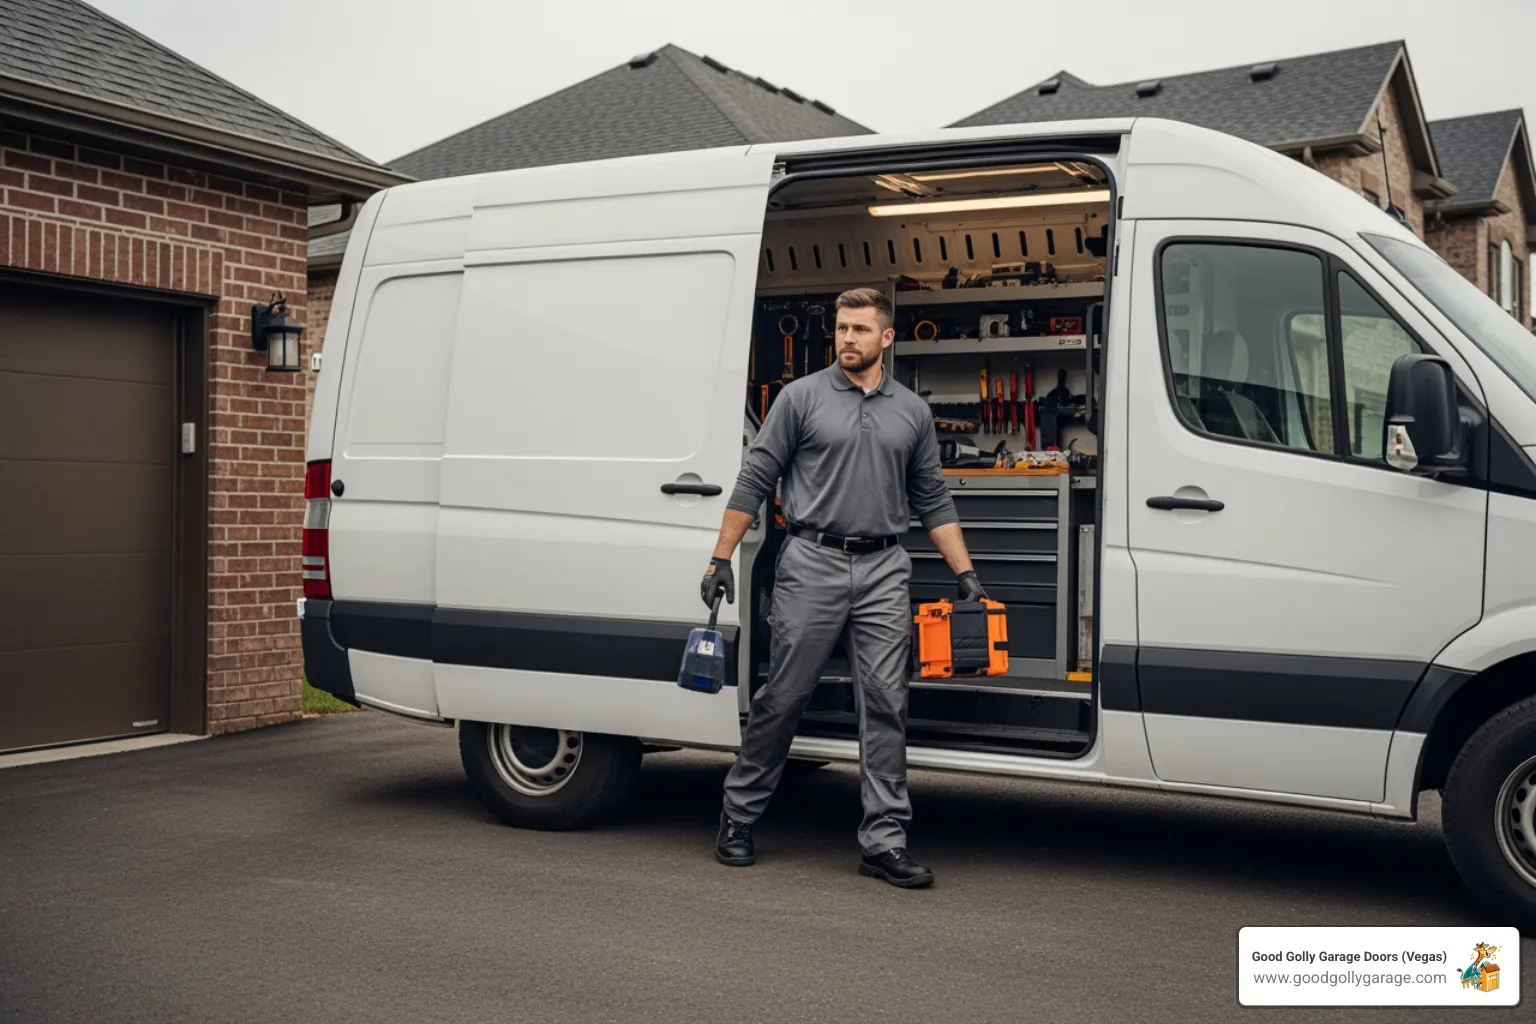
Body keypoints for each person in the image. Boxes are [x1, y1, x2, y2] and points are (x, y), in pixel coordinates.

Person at [699, 286, 986, 889]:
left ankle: (883, 842)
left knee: (886, 704)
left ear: (887, 338)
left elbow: (932, 498)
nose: (847, 338)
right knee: (784, 695)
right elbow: (755, 478)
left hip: (884, 567)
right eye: (841, 328)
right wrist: (720, 559)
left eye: (860, 329)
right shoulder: (799, 398)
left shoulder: (911, 411)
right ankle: (738, 816)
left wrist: (966, 575)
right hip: (812, 561)